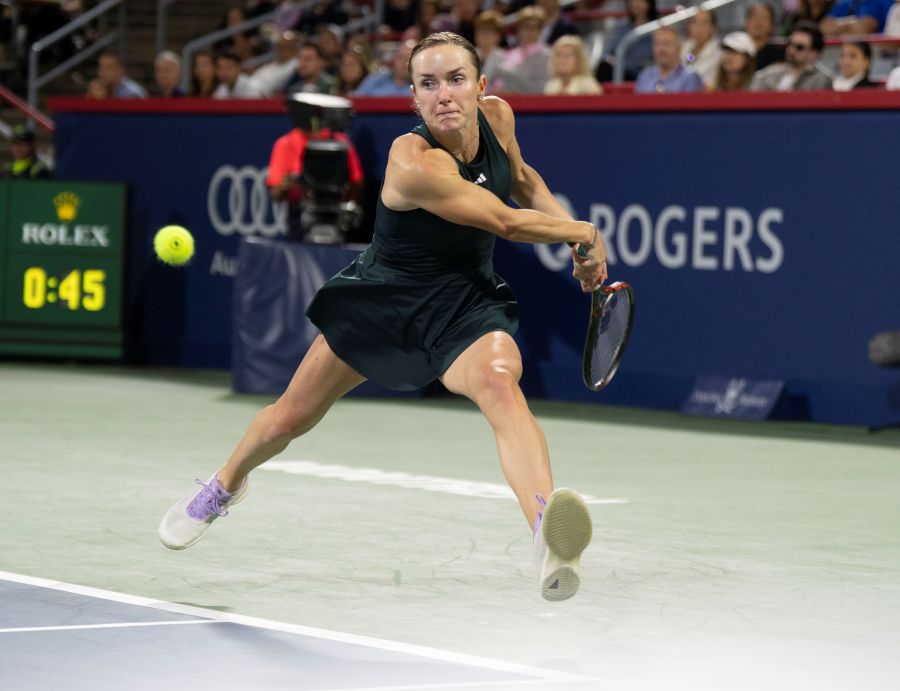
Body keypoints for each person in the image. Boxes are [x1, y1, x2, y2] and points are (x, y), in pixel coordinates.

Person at [158, 31, 605, 603]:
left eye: (456, 79)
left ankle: (546, 533)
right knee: (287, 420)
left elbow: (521, 179)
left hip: (464, 303)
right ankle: (225, 484)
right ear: (413, 98)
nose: (443, 94)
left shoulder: (498, 118)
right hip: (386, 301)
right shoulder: (412, 160)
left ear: (481, 86)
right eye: (428, 84)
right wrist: (582, 233)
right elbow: (505, 221)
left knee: (500, 383)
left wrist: (572, 237)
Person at [266, 99, 365, 240]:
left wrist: (349, 204)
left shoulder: (340, 142)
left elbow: (358, 182)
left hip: (337, 213)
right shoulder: (284, 144)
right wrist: (285, 186)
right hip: (301, 216)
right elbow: (276, 193)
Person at [484, 6, 551, 94]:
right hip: (497, 98)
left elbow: (539, 88)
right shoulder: (511, 53)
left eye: (533, 28)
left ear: (540, 31)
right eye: (524, 27)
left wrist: (504, 75)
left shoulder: (546, 55)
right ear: (518, 29)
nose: (528, 32)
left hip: (525, 101)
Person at [751, 21, 832, 91]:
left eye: (799, 47)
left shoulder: (822, 80)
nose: (791, 50)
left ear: (813, 54)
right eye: (790, 44)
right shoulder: (766, 76)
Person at [595, 0, 657, 82]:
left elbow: (649, 60)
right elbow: (607, 53)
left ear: (649, 4)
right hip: (619, 71)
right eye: (631, 1)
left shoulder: (655, 29)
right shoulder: (622, 28)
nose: (635, 4)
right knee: (604, 68)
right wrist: (609, 59)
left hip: (638, 74)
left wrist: (623, 63)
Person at [634, 26, 704, 93]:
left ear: (679, 48)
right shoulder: (644, 76)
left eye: (666, 44)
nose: (661, 50)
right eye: (657, 44)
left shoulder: (690, 78)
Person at [681, 9, 721, 90]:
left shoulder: (720, 53)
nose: (698, 27)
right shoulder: (683, 47)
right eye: (694, 22)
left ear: (713, 28)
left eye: (704, 22)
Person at [252, 31, 300, 97]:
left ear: (295, 49)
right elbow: (254, 78)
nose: (282, 50)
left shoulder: (296, 64)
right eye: (279, 47)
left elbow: (278, 84)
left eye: (286, 47)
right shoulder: (271, 65)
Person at [745, 3, 784, 70]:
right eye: (754, 16)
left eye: (764, 18)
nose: (758, 21)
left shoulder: (779, 56)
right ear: (746, 22)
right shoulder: (735, 51)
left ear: (772, 26)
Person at [820, 0, 893, 35]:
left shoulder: (882, 2)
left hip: (878, 53)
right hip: (841, 52)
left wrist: (836, 25)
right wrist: (851, 24)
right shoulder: (846, 3)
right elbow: (823, 27)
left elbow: (862, 29)